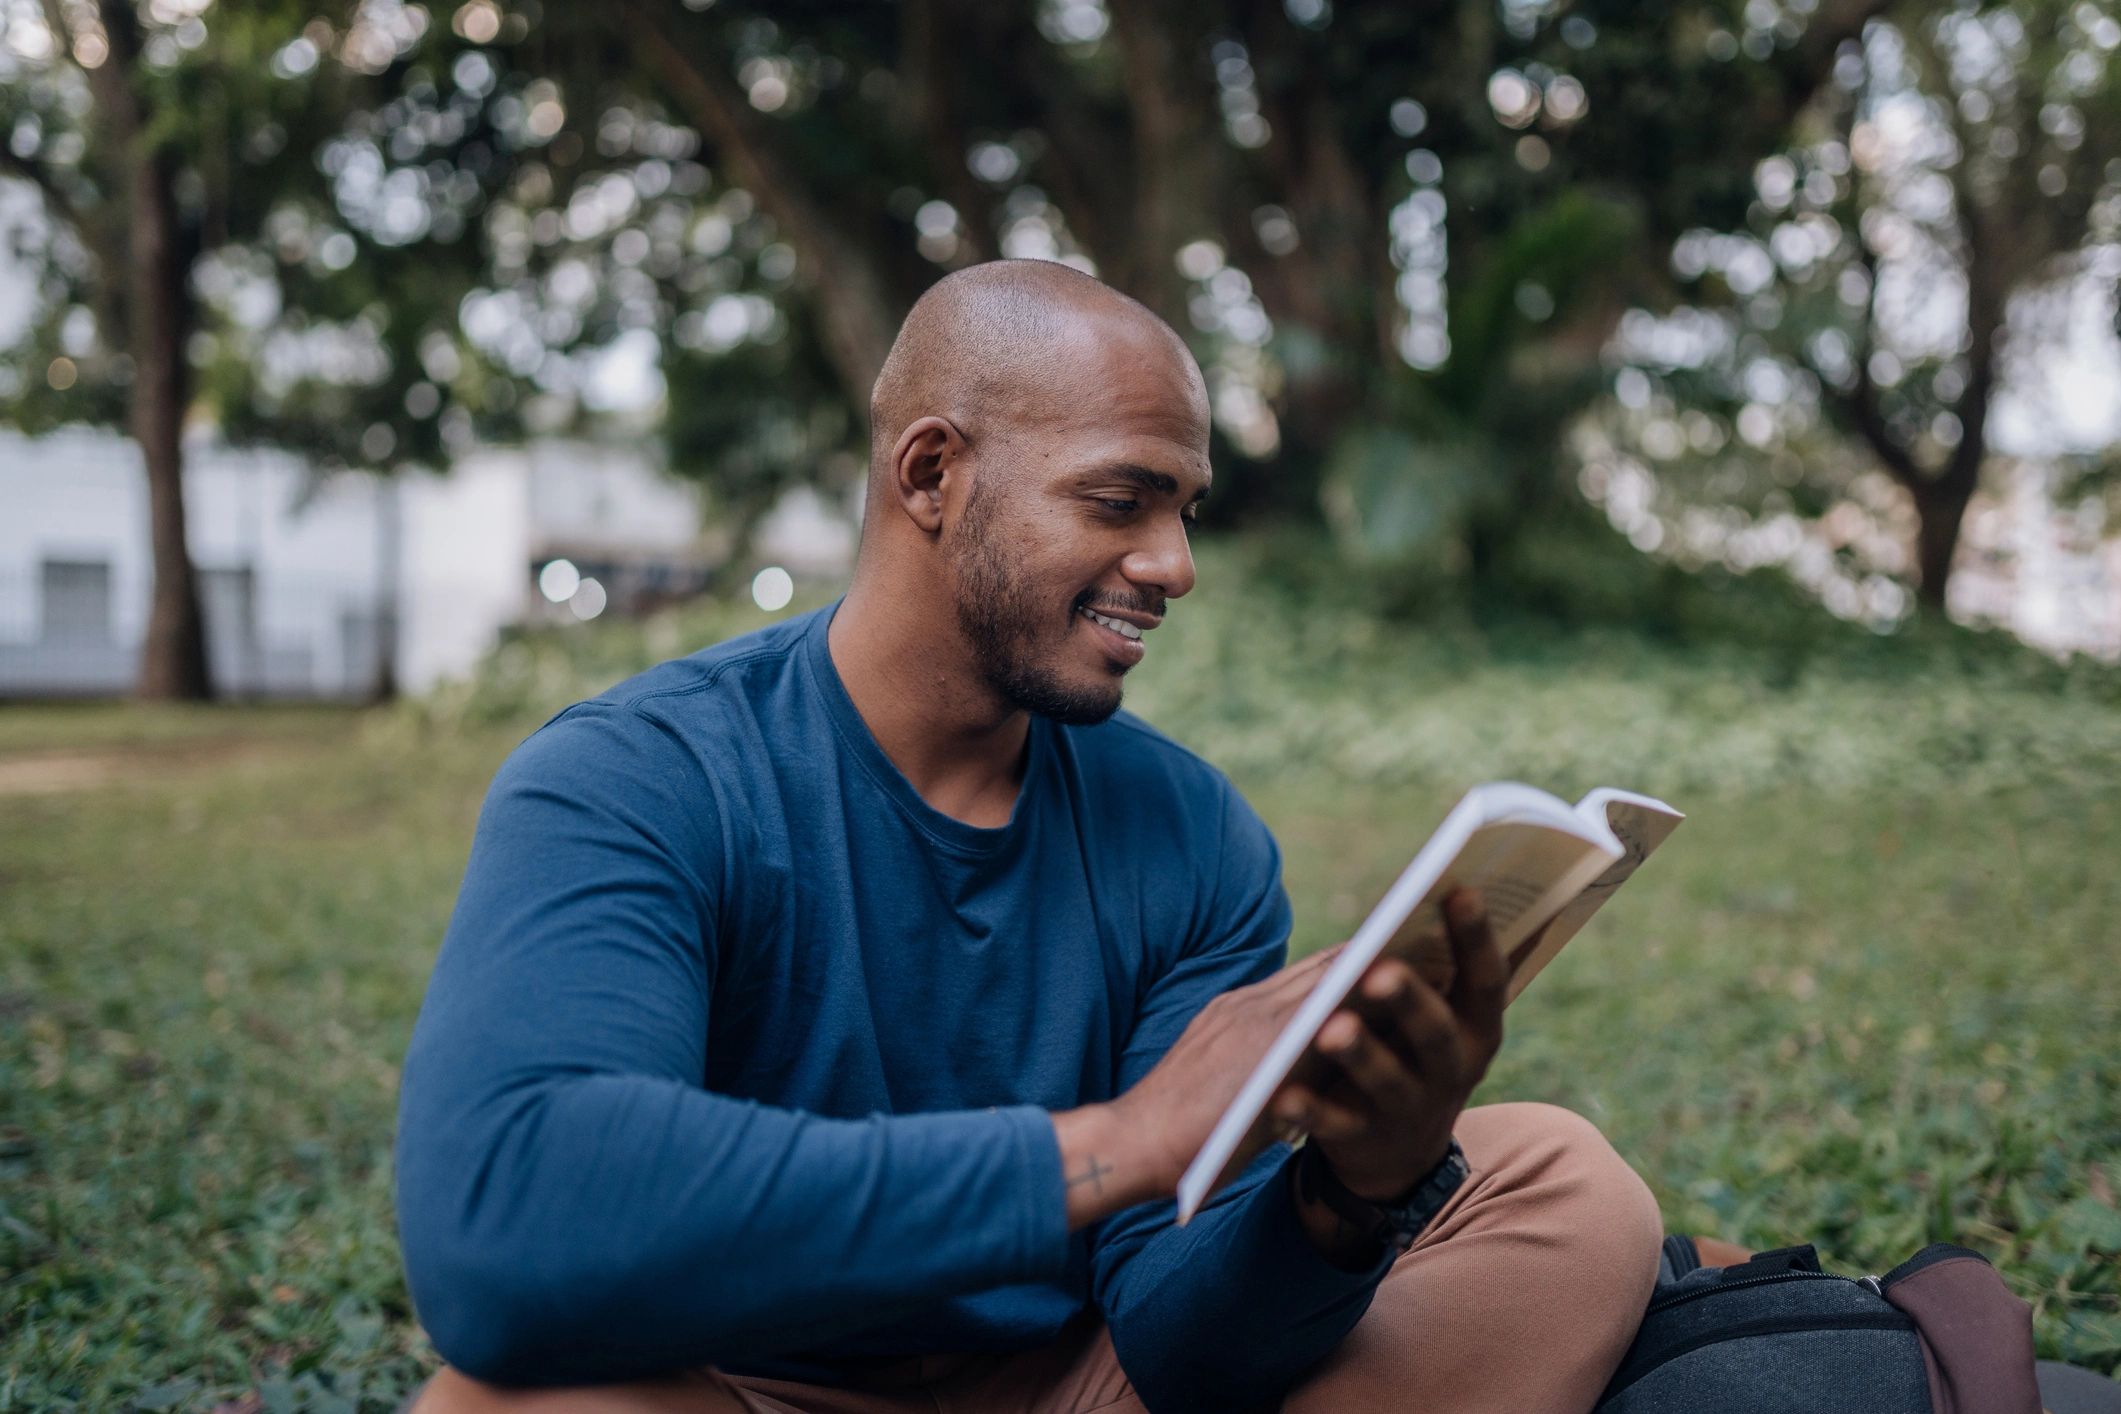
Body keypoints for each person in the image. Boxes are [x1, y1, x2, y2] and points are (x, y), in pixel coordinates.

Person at [394, 260, 1664, 1414]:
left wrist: (1346, 1198)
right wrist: (1120, 1142)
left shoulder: (1195, 836)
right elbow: (501, 1228)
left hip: (1080, 1386)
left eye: (1185, 510)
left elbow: (1185, 1343)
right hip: (742, 1387)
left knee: (1559, 1182)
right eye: (1121, 499)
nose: (1172, 563)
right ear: (932, 474)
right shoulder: (639, 776)